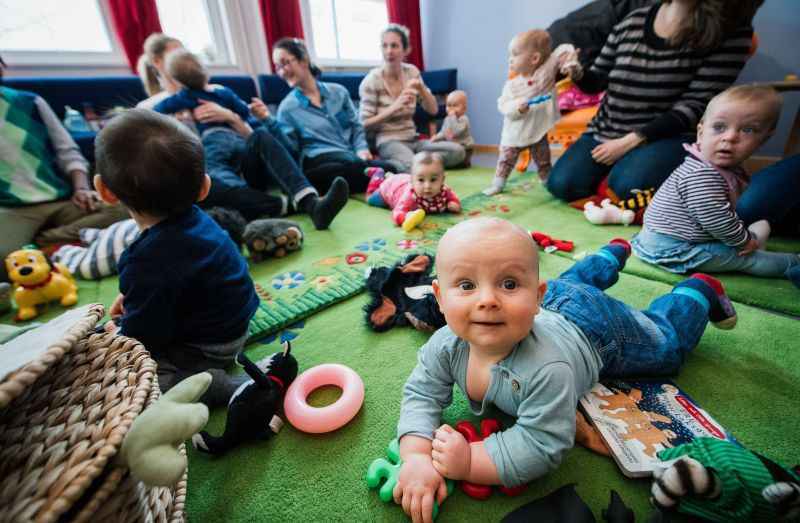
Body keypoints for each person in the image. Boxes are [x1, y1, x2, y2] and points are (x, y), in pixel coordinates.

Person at [394, 217, 738, 523]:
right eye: (467, 285)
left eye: (509, 284)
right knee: (571, 283)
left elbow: (543, 443)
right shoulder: (444, 344)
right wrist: (415, 457)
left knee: (665, 344)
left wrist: (469, 460)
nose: (488, 300)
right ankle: (609, 255)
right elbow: (421, 393)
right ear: (438, 296)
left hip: (596, 330)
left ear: (536, 295)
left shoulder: (547, 368)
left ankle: (696, 292)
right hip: (556, 300)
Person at [94, 109, 258, 408]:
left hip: (209, 347)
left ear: (104, 190)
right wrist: (133, 299)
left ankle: (216, 385)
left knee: (139, 377)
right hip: (240, 320)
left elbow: (144, 335)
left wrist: (120, 333)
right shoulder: (199, 219)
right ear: (204, 187)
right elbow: (176, 280)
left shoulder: (143, 262)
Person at [546, 0, 761, 203]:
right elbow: (597, 81)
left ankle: (635, 180)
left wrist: (631, 141)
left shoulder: (730, 32)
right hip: (607, 130)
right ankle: (618, 179)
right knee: (561, 185)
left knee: (628, 186)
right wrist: (577, 72)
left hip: (668, 136)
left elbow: (696, 106)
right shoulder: (632, 21)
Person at [136, 33, 348, 229]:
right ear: (157, 63)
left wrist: (231, 118)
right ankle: (280, 206)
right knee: (207, 188)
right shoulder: (149, 110)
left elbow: (252, 127)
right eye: (177, 54)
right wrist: (179, 125)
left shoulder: (218, 91)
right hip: (210, 176)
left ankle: (310, 204)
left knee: (261, 136)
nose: (185, 61)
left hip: (244, 162)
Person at [631, 85, 800, 287]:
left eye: (748, 130)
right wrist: (743, 241)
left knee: (747, 230)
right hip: (673, 249)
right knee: (747, 258)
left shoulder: (715, 166)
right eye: (719, 127)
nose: (729, 137)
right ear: (701, 133)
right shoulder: (702, 175)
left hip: (670, 239)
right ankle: (792, 263)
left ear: (764, 138)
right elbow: (716, 219)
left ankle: (752, 239)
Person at [0, 54, 127, 282]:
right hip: (10, 210)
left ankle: (43, 243)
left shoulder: (31, 103)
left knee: (128, 207)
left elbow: (68, 152)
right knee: (4, 262)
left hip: (61, 200)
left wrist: (81, 188)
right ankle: (52, 247)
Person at [268, 38, 396, 194]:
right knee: (339, 170)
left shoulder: (339, 92)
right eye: (278, 67)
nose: (282, 72)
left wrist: (362, 148)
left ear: (303, 59)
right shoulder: (286, 109)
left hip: (349, 157)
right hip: (318, 160)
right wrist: (269, 122)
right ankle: (375, 180)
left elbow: (356, 126)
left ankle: (364, 180)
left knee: (389, 168)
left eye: (285, 63)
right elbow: (291, 150)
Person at [359, 24, 466, 173]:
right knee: (414, 167)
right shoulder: (372, 80)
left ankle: (409, 164)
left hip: (413, 139)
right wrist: (395, 107)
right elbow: (364, 124)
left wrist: (422, 89)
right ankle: (403, 165)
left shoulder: (411, 72)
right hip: (388, 141)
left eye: (394, 46)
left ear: (405, 49)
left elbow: (433, 110)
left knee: (458, 151)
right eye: (385, 46)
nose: (389, 51)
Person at [484, 30, 579, 196]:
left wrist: (568, 59)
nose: (510, 59)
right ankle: (498, 183)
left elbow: (562, 49)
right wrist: (517, 107)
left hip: (538, 130)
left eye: (514, 55)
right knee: (506, 160)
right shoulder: (512, 85)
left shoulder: (547, 71)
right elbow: (503, 105)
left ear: (534, 59)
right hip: (515, 133)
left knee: (543, 159)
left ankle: (547, 181)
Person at [365, 152, 461, 230]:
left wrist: (454, 203)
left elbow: (452, 197)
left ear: (442, 179)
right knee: (370, 199)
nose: (427, 186)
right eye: (421, 180)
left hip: (402, 179)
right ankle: (378, 174)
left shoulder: (444, 190)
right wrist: (406, 217)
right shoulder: (409, 196)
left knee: (396, 177)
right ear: (412, 181)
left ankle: (389, 175)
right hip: (389, 188)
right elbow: (397, 213)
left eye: (433, 180)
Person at [430, 91, 474, 167]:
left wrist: (453, 117)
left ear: (464, 108)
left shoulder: (463, 119)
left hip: (465, 147)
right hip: (452, 146)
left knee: (462, 160)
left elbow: (456, 131)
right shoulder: (447, 119)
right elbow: (444, 132)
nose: (451, 108)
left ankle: (463, 162)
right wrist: (437, 137)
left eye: (455, 105)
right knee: (443, 150)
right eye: (448, 105)